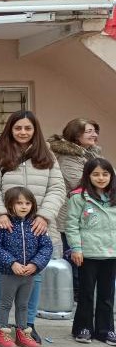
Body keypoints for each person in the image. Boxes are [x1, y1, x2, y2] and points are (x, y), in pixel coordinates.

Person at [0, 110, 66, 342]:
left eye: (28, 128)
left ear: (35, 130)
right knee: (3, 273)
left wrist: (45, 216)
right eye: (18, 128)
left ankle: (27, 324)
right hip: (6, 225)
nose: (23, 132)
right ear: (10, 129)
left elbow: (57, 188)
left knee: (34, 275)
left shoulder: (48, 155)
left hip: (38, 225)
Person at [0, 187, 51, 347]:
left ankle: (23, 332)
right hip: (9, 273)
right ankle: (2, 331)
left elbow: (46, 248)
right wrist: (12, 263)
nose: (24, 206)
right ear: (9, 205)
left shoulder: (36, 224)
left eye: (28, 203)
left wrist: (35, 264)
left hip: (29, 273)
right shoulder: (1, 224)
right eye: (19, 203)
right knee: (5, 303)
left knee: (23, 304)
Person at [49, 118, 102, 299]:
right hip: (71, 215)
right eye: (89, 131)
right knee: (72, 256)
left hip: (89, 216)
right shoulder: (68, 157)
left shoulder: (90, 155)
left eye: (95, 131)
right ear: (76, 134)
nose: (94, 135)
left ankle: (82, 292)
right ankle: (72, 294)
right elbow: (80, 183)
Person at [66, 158, 116, 345]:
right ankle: (83, 327)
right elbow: (71, 225)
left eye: (105, 174)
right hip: (87, 253)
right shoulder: (79, 197)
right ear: (87, 176)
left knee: (107, 294)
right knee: (86, 293)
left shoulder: (114, 196)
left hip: (111, 254)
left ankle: (106, 330)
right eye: (96, 174)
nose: (101, 178)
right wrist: (76, 248)